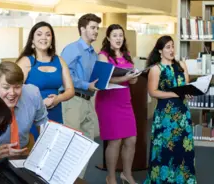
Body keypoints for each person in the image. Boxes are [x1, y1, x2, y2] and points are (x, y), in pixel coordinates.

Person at [144, 36, 196, 184]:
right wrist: (175, 94)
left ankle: (183, 180)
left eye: (173, 46)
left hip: (182, 113)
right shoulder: (156, 69)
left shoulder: (181, 66)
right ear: (160, 50)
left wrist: (189, 93)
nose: (172, 50)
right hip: (165, 115)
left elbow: (186, 86)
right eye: (168, 47)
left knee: (182, 148)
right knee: (165, 150)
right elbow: (153, 92)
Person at [95, 24, 139, 184]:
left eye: (121, 35)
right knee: (115, 140)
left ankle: (126, 174)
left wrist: (133, 78)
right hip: (108, 101)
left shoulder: (127, 55)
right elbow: (103, 79)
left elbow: (132, 79)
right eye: (115, 35)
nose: (118, 38)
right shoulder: (103, 56)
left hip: (124, 100)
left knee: (131, 139)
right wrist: (124, 78)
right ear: (108, 38)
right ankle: (111, 177)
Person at [17, 21, 74, 140]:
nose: (44, 37)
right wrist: (40, 104)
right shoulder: (25, 62)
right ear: (32, 40)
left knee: (54, 151)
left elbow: (70, 90)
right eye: (39, 34)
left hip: (56, 114)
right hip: (32, 117)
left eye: (48, 34)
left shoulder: (59, 60)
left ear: (51, 39)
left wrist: (58, 99)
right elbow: (15, 91)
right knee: (33, 152)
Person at [60, 13, 101, 178]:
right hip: (73, 101)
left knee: (86, 146)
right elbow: (65, 76)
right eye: (93, 27)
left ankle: (78, 180)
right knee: (71, 146)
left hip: (88, 101)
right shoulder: (72, 49)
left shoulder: (93, 53)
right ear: (82, 29)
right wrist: (86, 85)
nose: (96, 31)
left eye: (97, 28)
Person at [0, 61, 48, 149]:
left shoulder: (33, 94)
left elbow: (43, 125)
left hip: (23, 151)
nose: (12, 93)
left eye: (17, 87)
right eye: (6, 87)